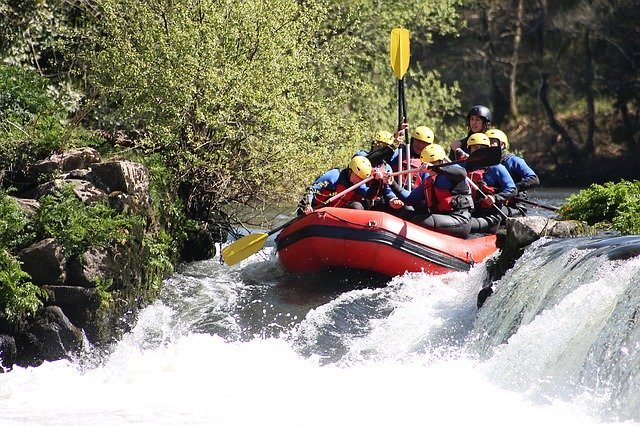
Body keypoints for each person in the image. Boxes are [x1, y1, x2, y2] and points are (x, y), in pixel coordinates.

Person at [379, 143, 474, 238]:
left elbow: (462, 174)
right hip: (441, 218)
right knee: (405, 214)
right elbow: (410, 199)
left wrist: (436, 168)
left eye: (433, 162)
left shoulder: (454, 170)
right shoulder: (429, 181)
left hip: (459, 219)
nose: (430, 167)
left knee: (416, 219)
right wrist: (392, 183)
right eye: (427, 163)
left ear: (442, 161)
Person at [465, 133, 516, 234]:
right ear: (469, 150)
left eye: (482, 148)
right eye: (475, 147)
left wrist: (495, 198)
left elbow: (512, 190)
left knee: (464, 225)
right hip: (470, 213)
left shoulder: (497, 168)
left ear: (488, 150)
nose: (478, 150)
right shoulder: (463, 166)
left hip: (490, 216)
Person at [485, 128, 540, 217]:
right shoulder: (483, 164)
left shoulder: (513, 161)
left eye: (492, 142)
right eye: (487, 143)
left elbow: (534, 179)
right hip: (494, 203)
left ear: (502, 145)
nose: (489, 145)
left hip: (515, 207)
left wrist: (513, 190)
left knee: (491, 212)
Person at [297, 155, 373, 215]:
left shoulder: (357, 185)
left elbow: (370, 195)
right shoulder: (333, 176)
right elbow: (311, 189)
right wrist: (308, 205)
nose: (359, 181)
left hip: (333, 215)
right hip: (313, 210)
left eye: (361, 179)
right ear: (350, 171)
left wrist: (379, 181)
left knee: (357, 206)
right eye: (357, 177)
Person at [353, 130, 406, 212]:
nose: (380, 151)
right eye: (378, 147)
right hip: (357, 200)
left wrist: (392, 199)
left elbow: (388, 190)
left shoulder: (387, 167)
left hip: (374, 203)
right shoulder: (360, 156)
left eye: (384, 148)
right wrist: (392, 146)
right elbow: (369, 160)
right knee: (357, 206)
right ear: (373, 145)